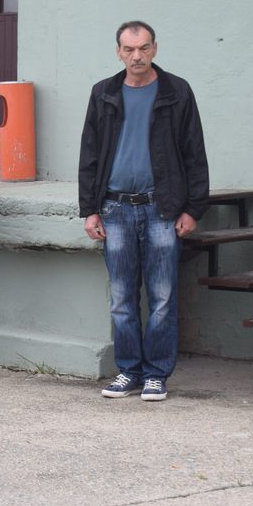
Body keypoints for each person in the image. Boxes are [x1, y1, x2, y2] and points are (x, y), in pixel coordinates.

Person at [79, 20, 209, 402]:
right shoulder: (103, 93)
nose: (137, 56)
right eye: (129, 49)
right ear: (118, 52)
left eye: (144, 48)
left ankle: (156, 374)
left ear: (155, 48)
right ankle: (129, 370)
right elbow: (89, 154)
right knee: (121, 298)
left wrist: (193, 208)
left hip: (162, 208)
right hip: (115, 208)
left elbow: (194, 152)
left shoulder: (176, 91)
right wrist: (90, 210)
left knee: (163, 297)